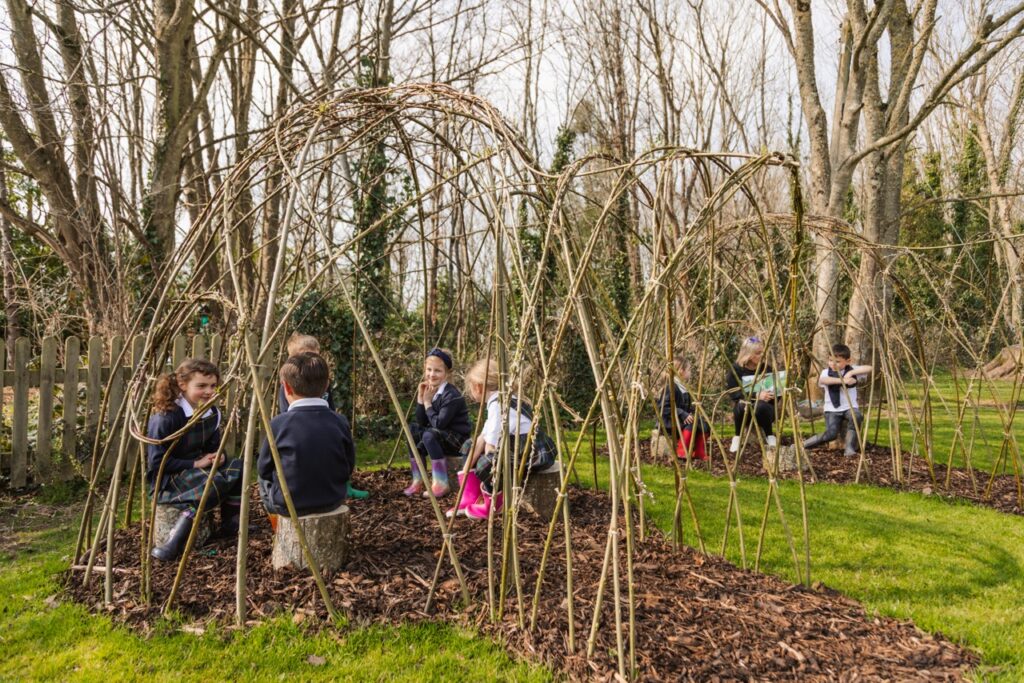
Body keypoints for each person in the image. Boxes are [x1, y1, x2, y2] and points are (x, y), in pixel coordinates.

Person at [147, 359, 243, 561]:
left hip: (197, 468)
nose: (209, 391)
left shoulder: (212, 412)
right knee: (213, 482)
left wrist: (219, 455)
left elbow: (213, 444)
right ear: (183, 385)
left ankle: (230, 521)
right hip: (169, 478)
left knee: (238, 466)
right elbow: (156, 462)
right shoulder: (167, 417)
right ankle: (173, 542)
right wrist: (195, 464)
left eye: (212, 386)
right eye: (201, 386)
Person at [258, 353, 355, 523]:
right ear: (326, 386)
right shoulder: (340, 421)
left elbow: (264, 469)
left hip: (289, 505)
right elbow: (348, 465)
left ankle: (276, 526)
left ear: (286, 388)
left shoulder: (278, 424)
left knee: (262, 480)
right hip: (333, 499)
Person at [461, 358, 556, 520]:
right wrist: (465, 472)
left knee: (487, 463)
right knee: (470, 446)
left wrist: (488, 465)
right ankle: (471, 494)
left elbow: (490, 446)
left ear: (478, 387)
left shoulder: (498, 405)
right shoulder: (502, 398)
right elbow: (482, 438)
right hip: (520, 446)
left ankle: (493, 502)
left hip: (531, 452)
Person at [277, 332, 367, 500]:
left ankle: (343, 484)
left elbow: (330, 406)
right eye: (307, 356)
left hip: (324, 426)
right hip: (300, 433)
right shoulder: (288, 387)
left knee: (341, 448)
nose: (312, 362)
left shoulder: (322, 381)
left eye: (316, 356)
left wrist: (334, 423)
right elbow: (286, 414)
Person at [404, 348, 473, 498]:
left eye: (437, 371)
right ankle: (418, 480)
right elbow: (421, 421)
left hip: (457, 440)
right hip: (439, 436)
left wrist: (428, 402)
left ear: (447, 373)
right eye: (429, 369)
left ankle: (441, 483)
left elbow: (439, 424)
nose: (432, 374)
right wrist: (421, 399)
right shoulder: (430, 389)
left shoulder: (451, 395)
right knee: (412, 430)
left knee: (429, 435)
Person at [803, 344, 872, 456]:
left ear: (848, 361)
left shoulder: (851, 370)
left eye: (838, 362)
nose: (833, 364)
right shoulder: (826, 372)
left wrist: (851, 373)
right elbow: (824, 380)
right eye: (830, 360)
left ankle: (849, 448)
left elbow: (870, 368)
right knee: (831, 434)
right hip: (832, 409)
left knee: (856, 417)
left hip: (850, 407)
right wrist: (843, 381)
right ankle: (804, 445)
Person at [725, 336, 780, 453]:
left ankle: (770, 435)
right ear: (748, 354)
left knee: (760, 405)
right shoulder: (736, 370)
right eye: (758, 353)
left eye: (762, 352)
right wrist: (756, 395)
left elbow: (777, 395)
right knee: (741, 405)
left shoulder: (767, 369)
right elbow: (734, 393)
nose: (762, 356)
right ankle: (737, 437)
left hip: (765, 411)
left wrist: (773, 394)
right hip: (744, 412)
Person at [657, 353, 710, 461]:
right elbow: (663, 408)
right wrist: (682, 413)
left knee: (704, 424)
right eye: (689, 370)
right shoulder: (670, 387)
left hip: (681, 420)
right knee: (691, 424)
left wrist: (692, 412)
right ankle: (681, 451)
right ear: (681, 371)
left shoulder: (684, 387)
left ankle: (699, 452)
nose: (690, 372)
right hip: (669, 421)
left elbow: (687, 406)